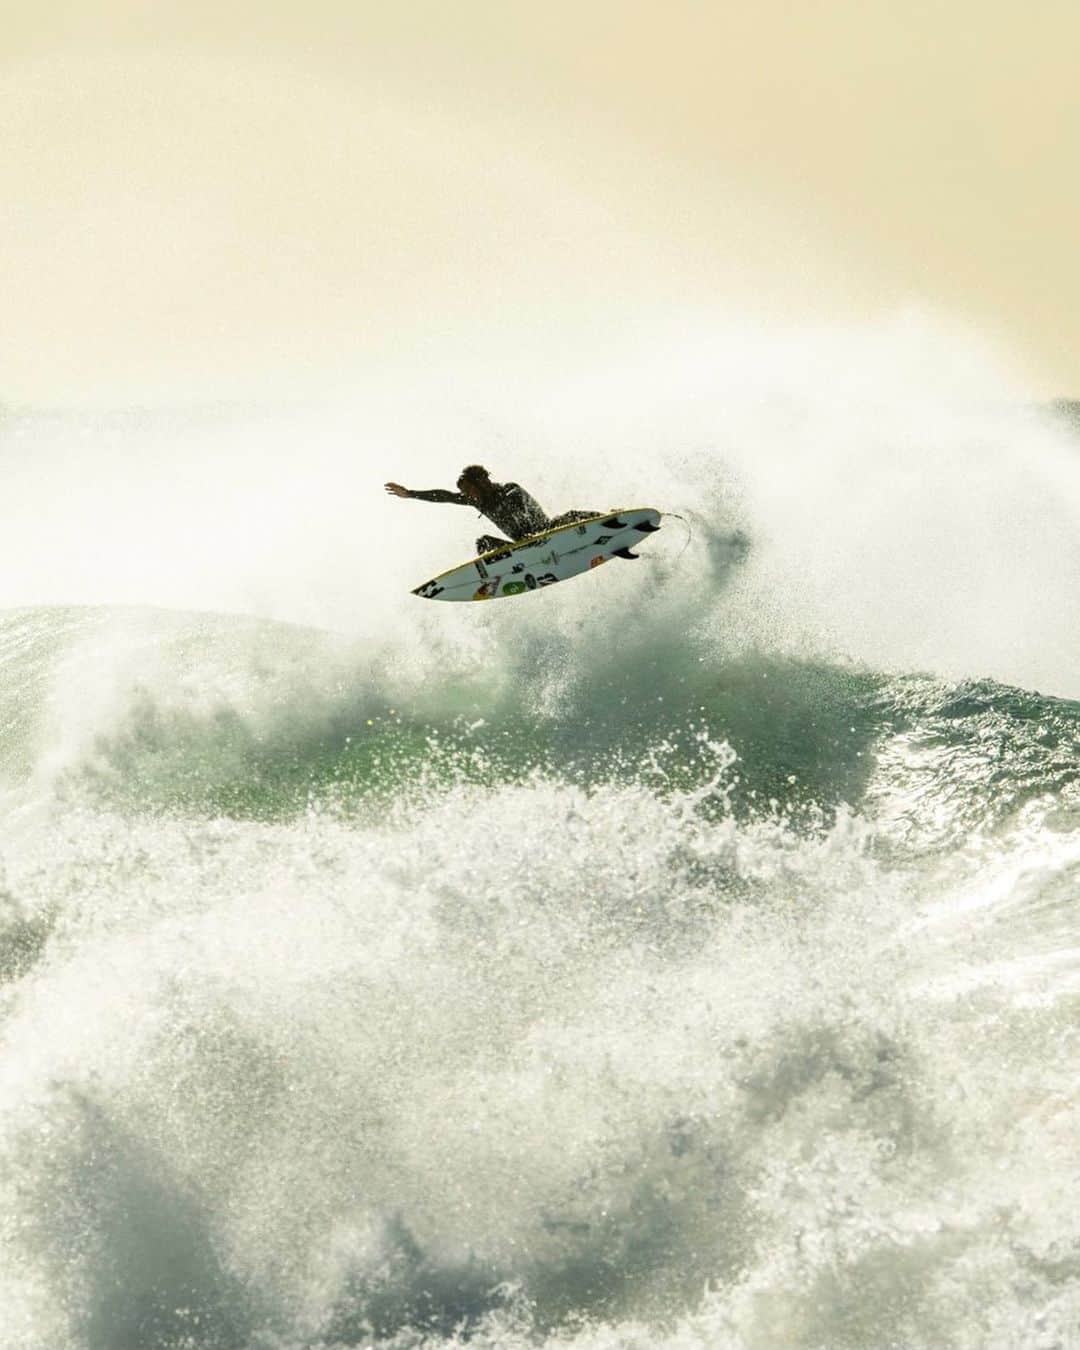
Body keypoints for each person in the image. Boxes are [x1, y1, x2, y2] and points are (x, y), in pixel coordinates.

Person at [385, 464, 601, 555]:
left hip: (547, 532)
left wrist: (532, 534)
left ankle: (607, 518)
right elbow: (444, 496)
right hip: (521, 546)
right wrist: (411, 493)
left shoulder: (510, 489)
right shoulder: (477, 501)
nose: (468, 495)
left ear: (482, 482)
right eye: (465, 492)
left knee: (571, 516)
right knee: (484, 542)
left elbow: (524, 508)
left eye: (469, 489)